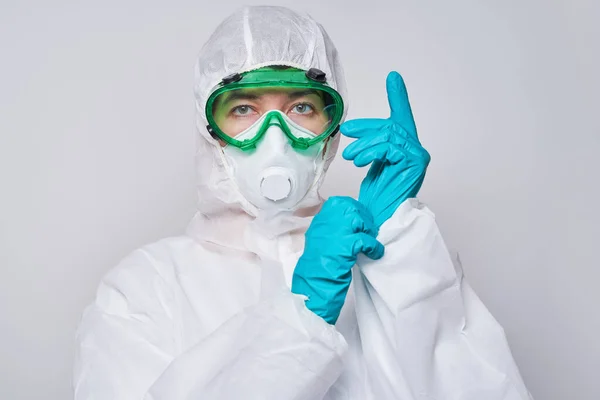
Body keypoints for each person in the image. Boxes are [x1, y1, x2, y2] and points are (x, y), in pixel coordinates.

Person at [73, 6, 533, 400]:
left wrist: (404, 248)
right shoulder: (145, 289)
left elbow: (479, 384)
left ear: (332, 129)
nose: (275, 137)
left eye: (301, 109)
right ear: (208, 130)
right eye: (243, 109)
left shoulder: (382, 265)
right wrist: (301, 316)